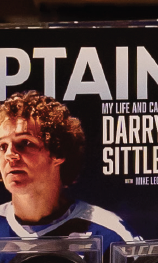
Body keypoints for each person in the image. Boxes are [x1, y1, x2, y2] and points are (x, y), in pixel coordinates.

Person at [0, 92, 140, 246]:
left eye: (25, 143)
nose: (9, 155)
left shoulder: (109, 233)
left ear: (58, 152)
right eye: (2, 146)